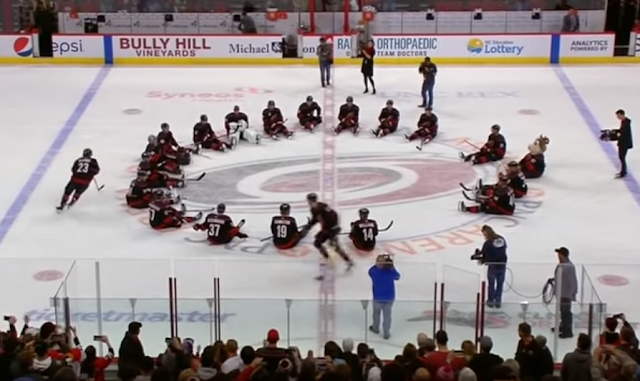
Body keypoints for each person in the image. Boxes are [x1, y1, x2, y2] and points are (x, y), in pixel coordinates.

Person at [306, 193, 354, 280]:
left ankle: (348, 261)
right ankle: (328, 258)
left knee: (334, 246)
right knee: (317, 243)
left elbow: (333, 215)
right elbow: (315, 219)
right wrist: (309, 225)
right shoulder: (314, 209)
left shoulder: (322, 207)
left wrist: (334, 229)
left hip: (331, 229)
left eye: (311, 201)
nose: (310, 203)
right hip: (326, 230)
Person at [473, 225, 507, 308]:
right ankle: (498, 301)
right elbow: (504, 249)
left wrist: (478, 257)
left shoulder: (488, 242)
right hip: (502, 265)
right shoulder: (501, 239)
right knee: (500, 284)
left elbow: (485, 253)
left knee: (491, 284)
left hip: (493, 265)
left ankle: (491, 301)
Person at [368, 253, 400, 340]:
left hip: (378, 298)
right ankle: (386, 333)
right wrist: (391, 267)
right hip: (389, 297)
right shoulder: (389, 271)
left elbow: (370, 271)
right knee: (387, 316)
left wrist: (382, 264)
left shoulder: (374, 271)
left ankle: (375, 328)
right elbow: (397, 276)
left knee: (376, 314)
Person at [551, 247, 578, 338]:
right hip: (561, 293)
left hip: (565, 294)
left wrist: (573, 293)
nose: (558, 256)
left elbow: (572, 281)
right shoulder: (562, 265)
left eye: (559, 254)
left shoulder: (568, 266)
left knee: (566, 312)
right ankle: (563, 326)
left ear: (563, 255)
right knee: (562, 311)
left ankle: (568, 330)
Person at [614, 109, 633, 178]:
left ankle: (623, 172)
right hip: (623, 143)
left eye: (618, 116)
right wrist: (614, 131)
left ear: (622, 115)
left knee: (622, 157)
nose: (617, 117)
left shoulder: (626, 123)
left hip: (624, 143)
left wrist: (615, 137)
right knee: (621, 157)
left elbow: (624, 134)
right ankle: (623, 171)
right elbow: (621, 131)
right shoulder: (624, 122)